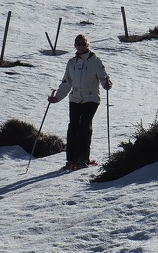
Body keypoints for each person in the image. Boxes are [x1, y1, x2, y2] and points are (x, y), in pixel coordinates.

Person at [48, 34, 112, 170]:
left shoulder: (95, 61)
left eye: (83, 43)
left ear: (87, 45)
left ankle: (83, 158)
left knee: (84, 125)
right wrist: (57, 97)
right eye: (78, 44)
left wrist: (106, 84)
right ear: (75, 46)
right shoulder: (71, 63)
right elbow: (66, 83)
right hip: (75, 97)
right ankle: (71, 159)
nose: (81, 46)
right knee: (73, 127)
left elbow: (103, 77)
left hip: (91, 97)